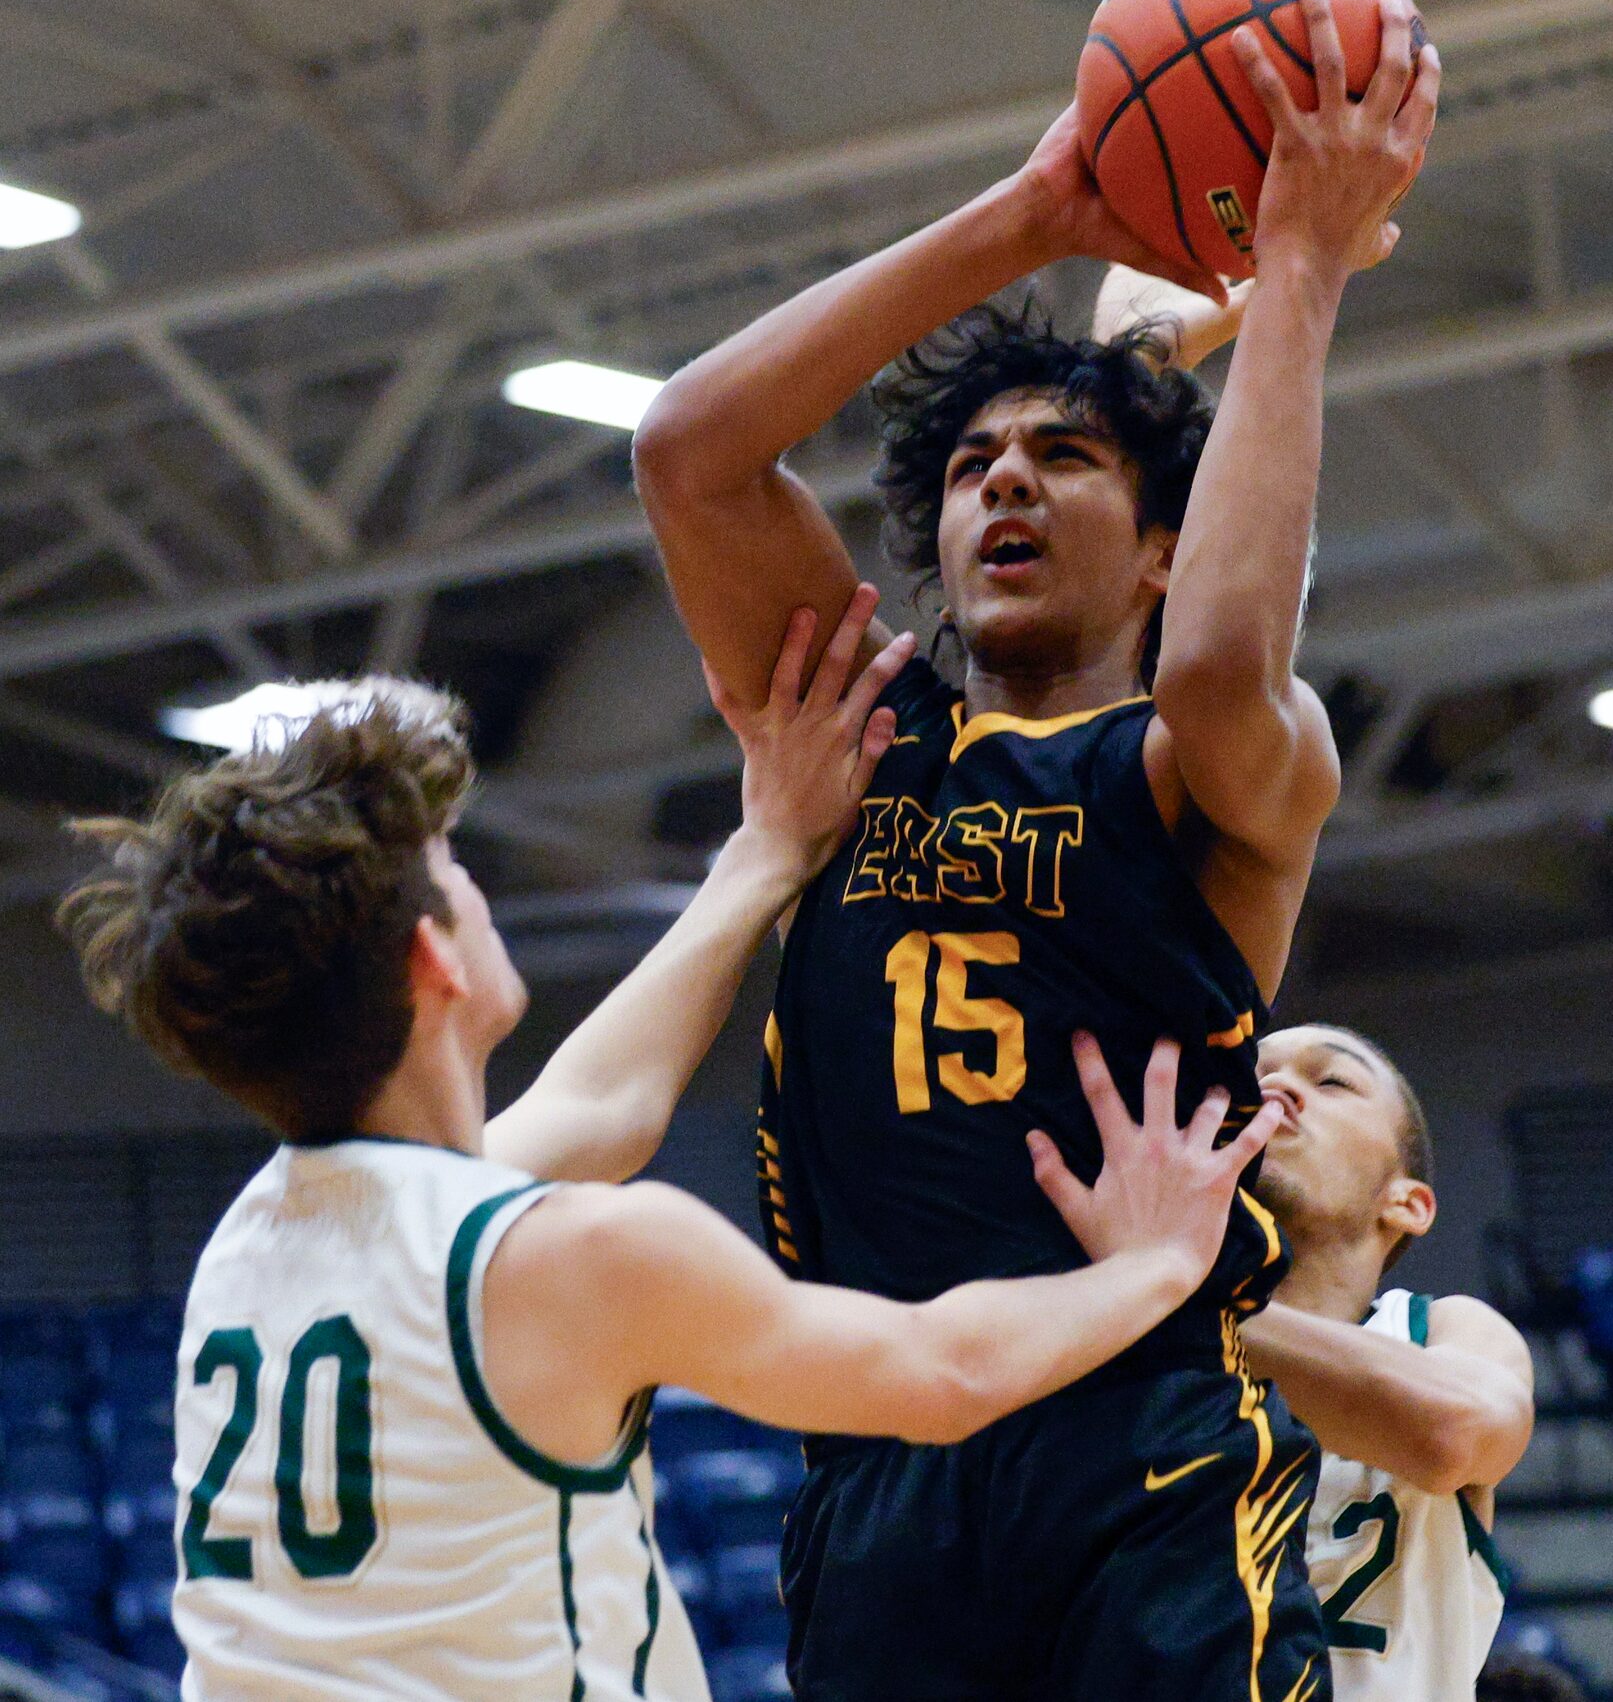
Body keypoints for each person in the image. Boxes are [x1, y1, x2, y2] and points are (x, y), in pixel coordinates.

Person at [632, 0, 1439, 1700]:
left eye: (1063, 456)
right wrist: (1033, 210)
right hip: (875, 1454)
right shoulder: (851, 733)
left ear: (1157, 544)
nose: (1004, 479)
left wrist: (1292, 268)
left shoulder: (1197, 766)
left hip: (1129, 1447)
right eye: (974, 461)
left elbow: (1226, 648)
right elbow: (690, 452)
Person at [57, 594, 1279, 1702]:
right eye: (452, 870)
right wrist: (1155, 1269)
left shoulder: (263, 1235)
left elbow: (603, 1104)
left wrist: (762, 855)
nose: (476, 890)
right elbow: (934, 1374)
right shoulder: (573, 1256)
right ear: (436, 960)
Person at [1243, 1025, 1535, 1700]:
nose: (1273, 1087)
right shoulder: (1137, 1321)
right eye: (1249, 1074)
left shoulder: (1444, 1331)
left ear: (1406, 1202)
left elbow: (1449, 1433)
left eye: (1329, 1081)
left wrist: (1163, 1301)